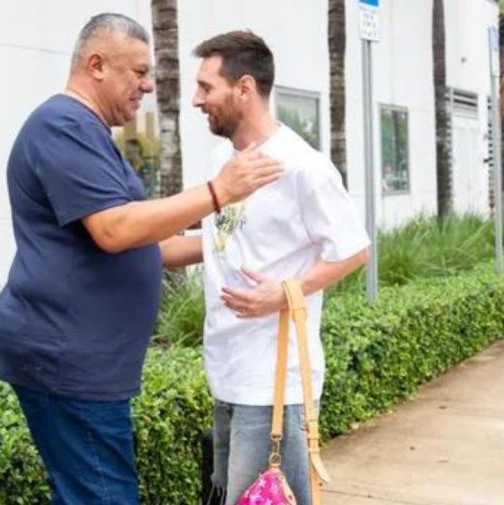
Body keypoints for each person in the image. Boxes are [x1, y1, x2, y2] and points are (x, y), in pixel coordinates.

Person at [0, 14, 283, 505]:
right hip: (68, 359)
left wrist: (234, 240)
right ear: (97, 64)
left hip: (86, 362)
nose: (149, 86)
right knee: (105, 496)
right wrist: (218, 191)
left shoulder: (91, 133)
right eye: (140, 72)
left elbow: (151, 243)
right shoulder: (62, 126)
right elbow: (114, 229)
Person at [186, 31, 371, 504]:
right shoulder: (221, 162)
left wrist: (285, 291)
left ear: (244, 88)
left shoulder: (303, 167)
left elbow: (354, 249)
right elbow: (216, 241)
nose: (195, 99)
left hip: (274, 384)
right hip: (227, 372)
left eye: (207, 87)